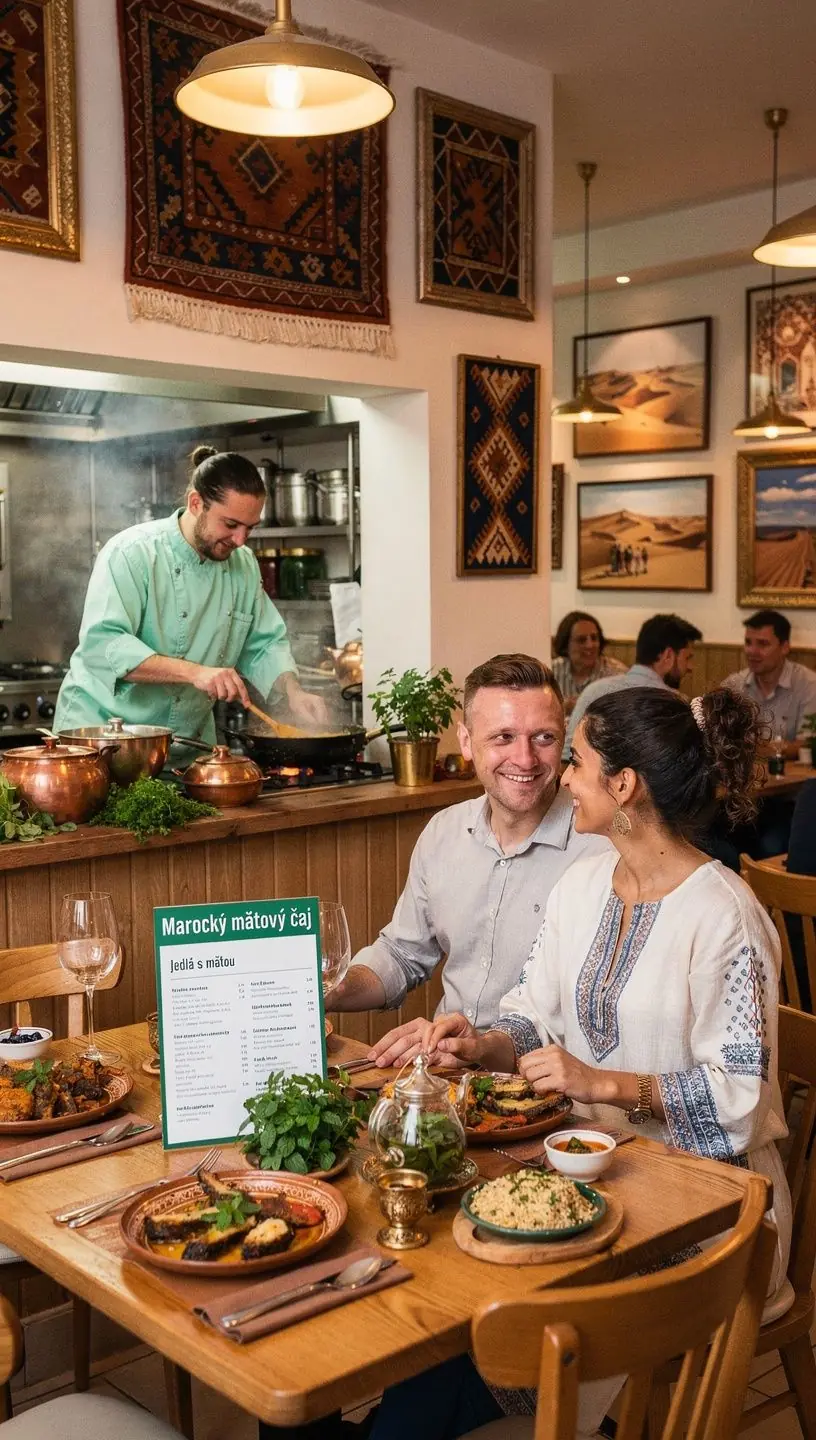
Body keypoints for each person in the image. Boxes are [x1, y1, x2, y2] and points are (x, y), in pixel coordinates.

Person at [377, 684, 791, 1440]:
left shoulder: (725, 915)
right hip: (587, 1176)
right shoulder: (581, 885)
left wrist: (601, 1083)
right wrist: (485, 1043)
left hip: (707, 1214)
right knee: (444, 1302)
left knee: (474, 1347)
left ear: (623, 785)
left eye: (577, 760)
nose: (563, 777)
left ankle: (557, 1410)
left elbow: (738, 1097)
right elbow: (533, 1019)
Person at [328, 654, 608, 1067]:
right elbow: (403, 954)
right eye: (503, 738)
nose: (525, 759)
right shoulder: (444, 832)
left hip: (553, 1093)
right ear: (465, 741)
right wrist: (329, 991)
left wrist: (482, 1047)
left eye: (544, 738)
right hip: (445, 1075)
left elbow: (602, 1016)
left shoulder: (601, 853)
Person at [54, 446, 327, 748]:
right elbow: (104, 645)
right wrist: (195, 673)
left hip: (187, 745)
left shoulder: (244, 564)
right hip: (105, 740)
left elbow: (264, 643)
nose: (240, 540)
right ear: (196, 503)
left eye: (250, 528)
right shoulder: (132, 553)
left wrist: (293, 692)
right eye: (231, 524)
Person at [564, 611, 702, 754]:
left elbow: (567, 753)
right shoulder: (675, 704)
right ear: (668, 656)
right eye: (688, 658)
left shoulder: (593, 691)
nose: (690, 667)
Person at [722, 609, 816, 758]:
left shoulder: (809, 685)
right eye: (748, 643)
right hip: (742, 776)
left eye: (762, 644)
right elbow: (716, 738)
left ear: (784, 647)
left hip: (791, 777)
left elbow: (807, 744)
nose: (752, 651)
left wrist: (755, 748)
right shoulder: (732, 686)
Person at [550, 611, 626, 716]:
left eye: (594, 638)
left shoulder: (617, 674)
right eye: (581, 640)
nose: (590, 645)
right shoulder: (551, 670)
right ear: (565, 645)